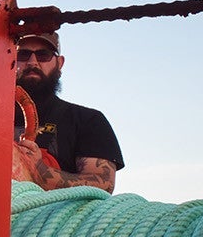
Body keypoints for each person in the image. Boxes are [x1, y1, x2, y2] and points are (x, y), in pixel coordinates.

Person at [10, 29, 123, 192]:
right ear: (11, 58)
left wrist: (39, 170)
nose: (32, 62)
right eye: (23, 54)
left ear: (60, 63)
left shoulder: (88, 120)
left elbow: (104, 184)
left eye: (43, 55)